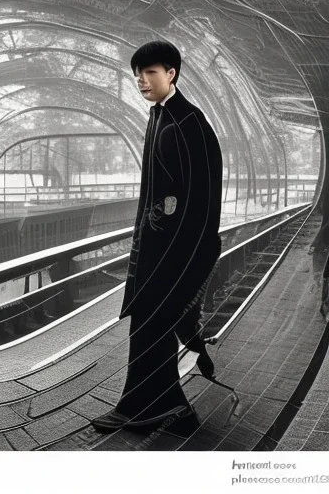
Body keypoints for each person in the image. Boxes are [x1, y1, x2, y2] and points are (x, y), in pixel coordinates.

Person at [92, 40, 223, 433]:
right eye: (137, 74)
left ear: (171, 74)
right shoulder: (161, 116)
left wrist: (180, 260)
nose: (141, 81)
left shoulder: (188, 124)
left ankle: (146, 409)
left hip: (174, 254)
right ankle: (166, 408)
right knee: (149, 325)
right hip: (157, 249)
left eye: (150, 73)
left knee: (152, 323)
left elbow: (201, 202)